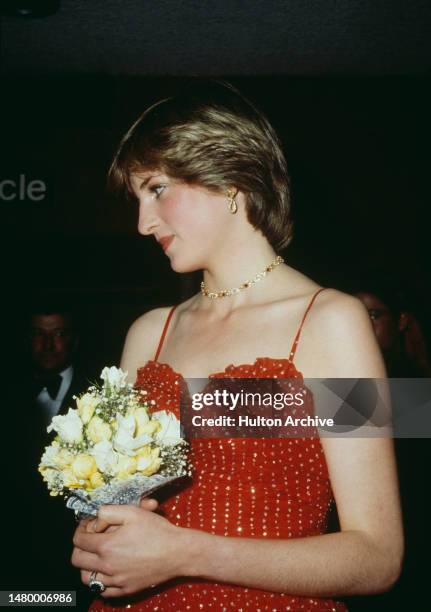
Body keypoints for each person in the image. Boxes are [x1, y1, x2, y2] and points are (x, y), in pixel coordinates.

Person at [71, 82, 403, 611]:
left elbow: (379, 557)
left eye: (156, 189)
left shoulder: (334, 322)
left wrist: (187, 554)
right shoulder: (146, 332)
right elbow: (120, 516)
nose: (142, 223)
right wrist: (101, 548)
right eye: (137, 199)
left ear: (228, 179)